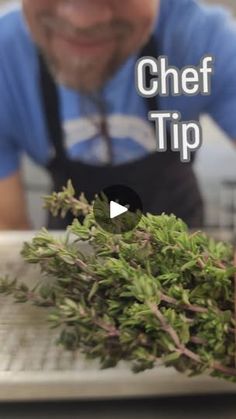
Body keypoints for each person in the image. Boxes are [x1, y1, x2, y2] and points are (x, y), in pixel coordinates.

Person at [0, 0, 236, 230]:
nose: (82, 21)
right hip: (72, 252)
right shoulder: (6, 60)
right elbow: (7, 225)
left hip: (181, 239)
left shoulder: (201, 40)